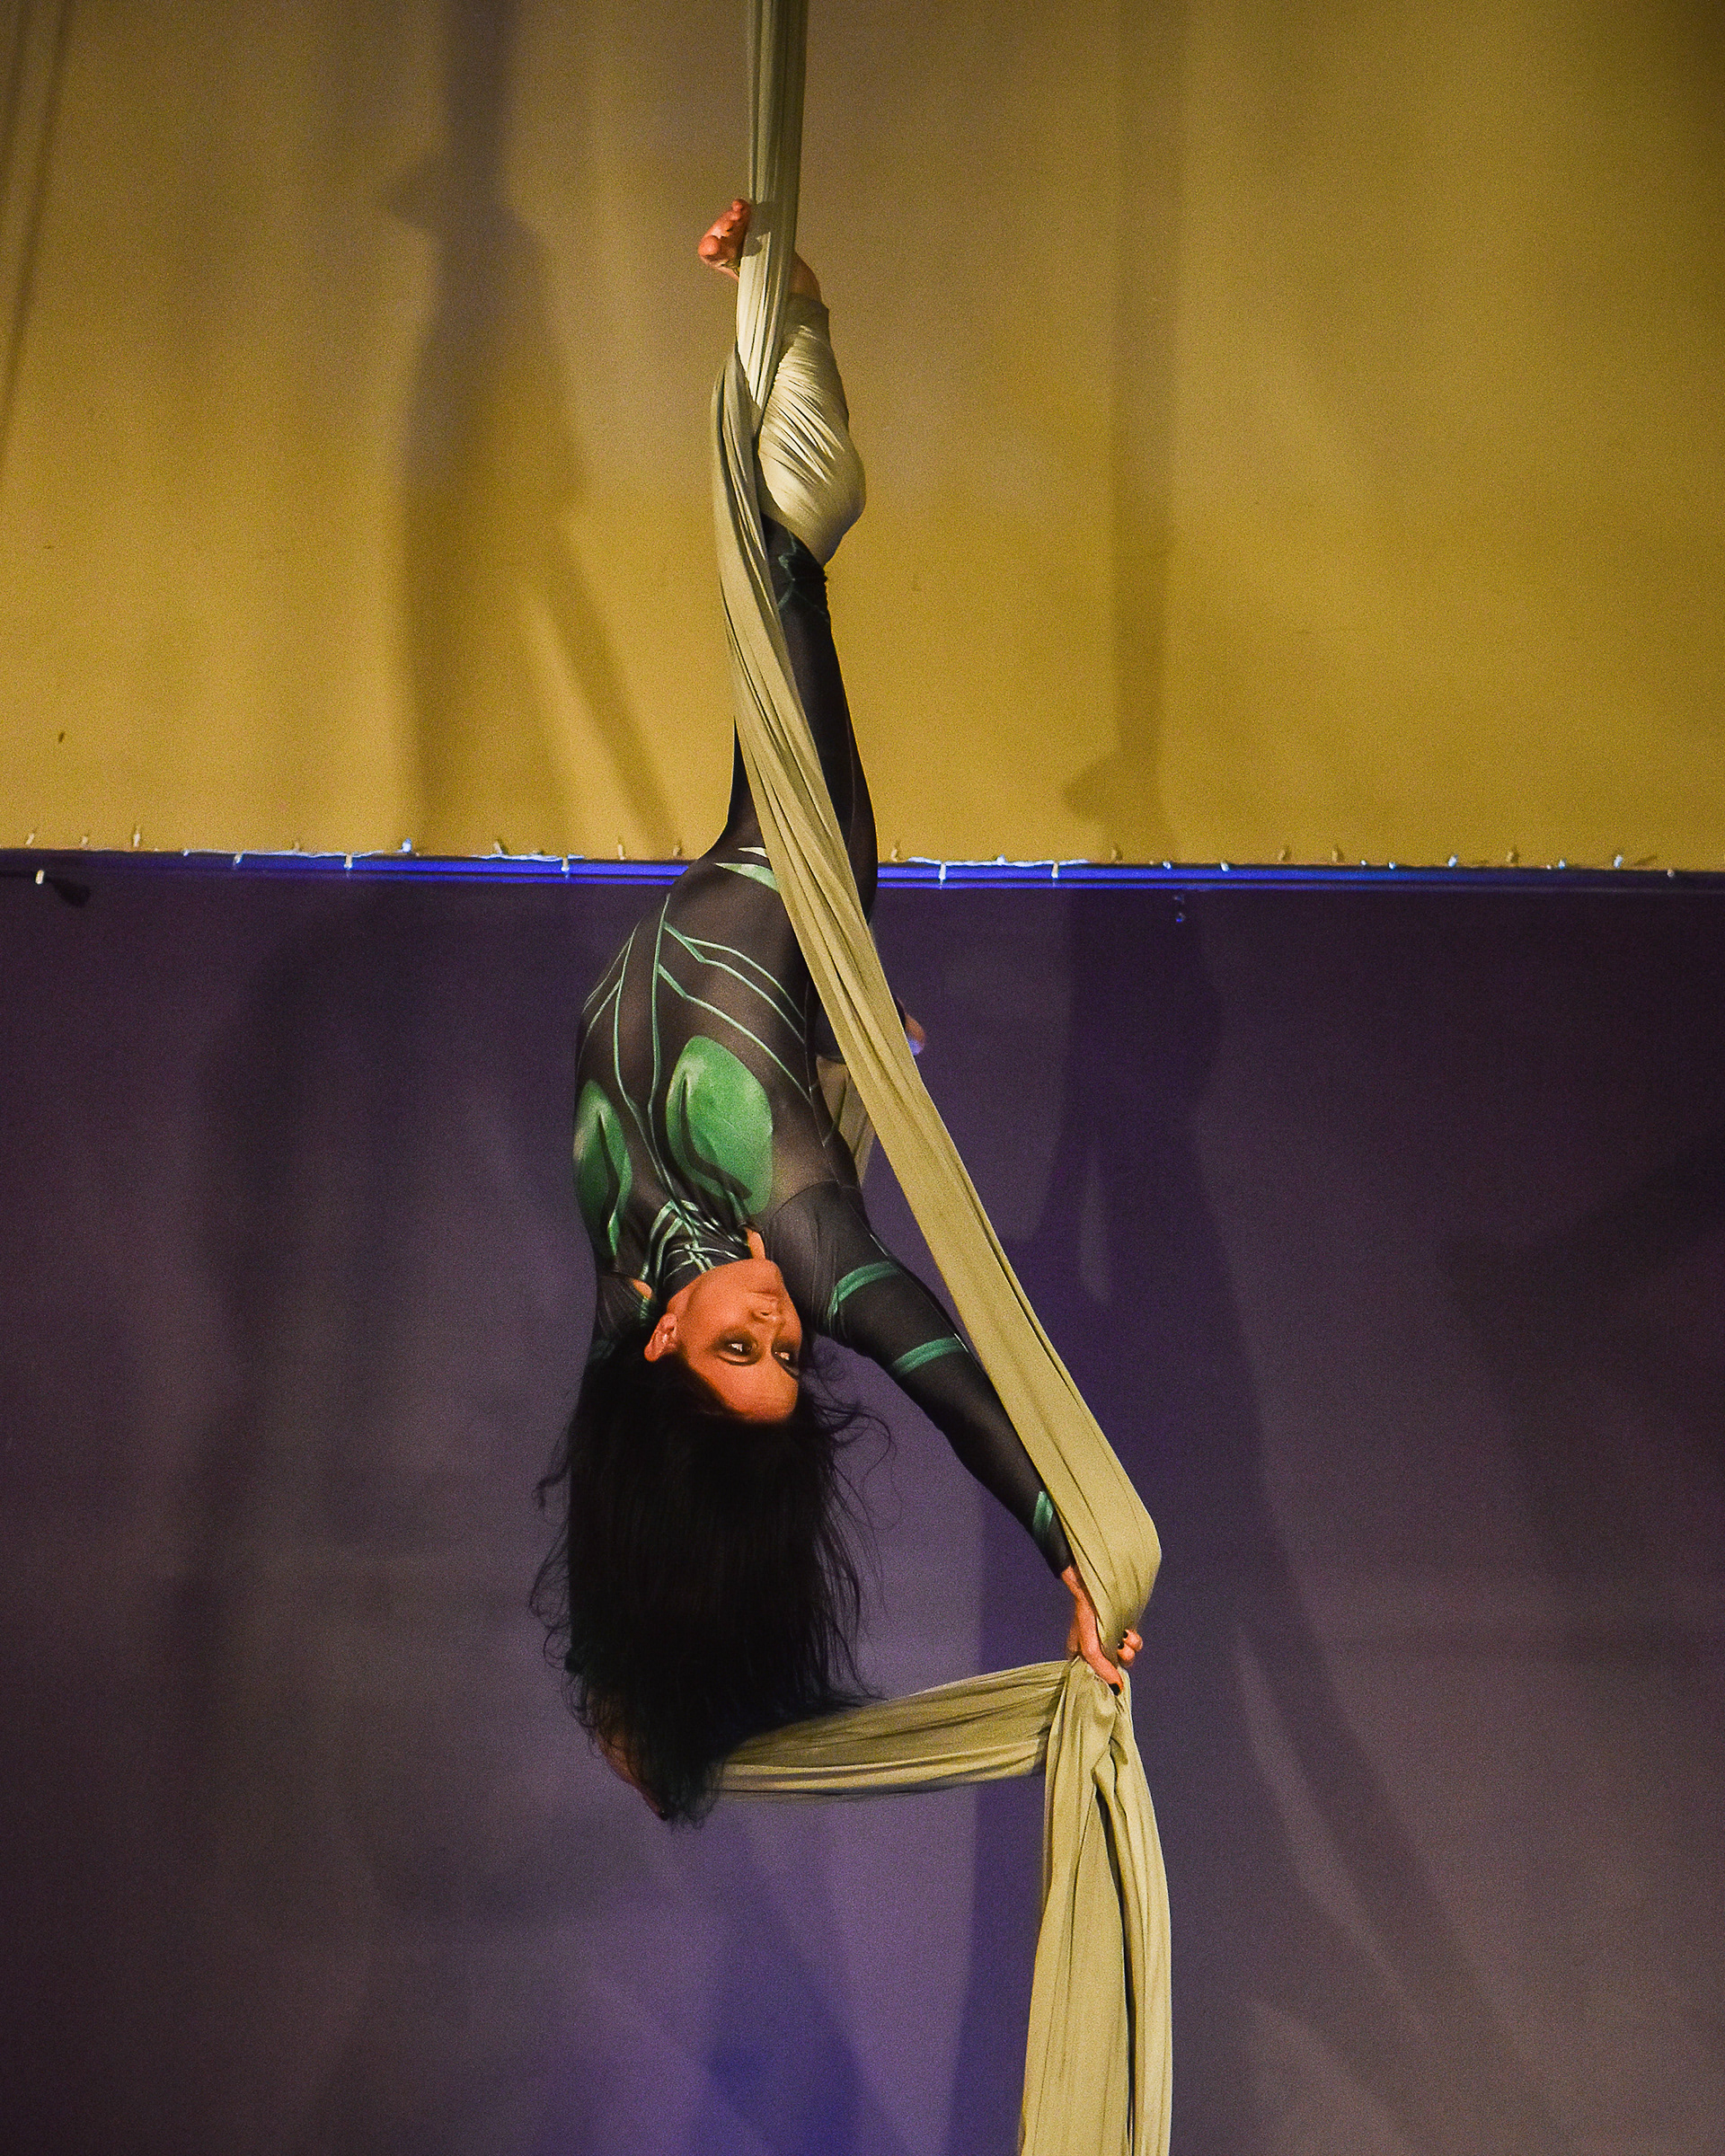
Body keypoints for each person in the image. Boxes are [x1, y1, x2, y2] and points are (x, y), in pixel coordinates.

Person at [535, 203, 1138, 1821]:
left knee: (790, 548)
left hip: (752, 946)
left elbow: (631, 1560)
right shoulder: (799, 1233)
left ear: (661, 1352)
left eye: (740, 1343)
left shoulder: (624, 1306)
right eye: (787, 1350)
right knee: (790, 560)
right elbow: (950, 1381)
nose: (771, 1310)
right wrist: (1075, 1548)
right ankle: (787, 330)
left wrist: (636, 1703)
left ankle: (785, 354)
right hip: (789, 892)